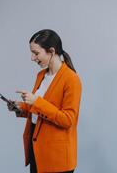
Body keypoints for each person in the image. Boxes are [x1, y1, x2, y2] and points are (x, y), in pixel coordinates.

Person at [7, 29, 82, 173]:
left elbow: (68, 120)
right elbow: (39, 111)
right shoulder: (41, 75)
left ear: (51, 51)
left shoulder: (72, 79)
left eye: (36, 53)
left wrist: (36, 102)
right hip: (37, 150)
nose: (32, 58)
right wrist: (21, 107)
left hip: (57, 158)